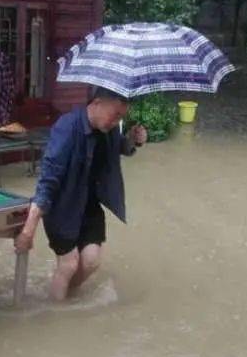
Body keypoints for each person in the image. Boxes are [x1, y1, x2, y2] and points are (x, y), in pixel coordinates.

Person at [14, 87, 148, 302]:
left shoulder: (109, 129)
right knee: (68, 265)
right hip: (62, 207)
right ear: (96, 104)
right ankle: (54, 315)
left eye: (121, 117)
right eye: (115, 115)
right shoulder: (67, 128)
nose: (116, 122)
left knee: (91, 261)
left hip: (89, 205)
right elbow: (48, 179)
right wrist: (28, 230)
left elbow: (118, 147)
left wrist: (133, 139)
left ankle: (65, 297)